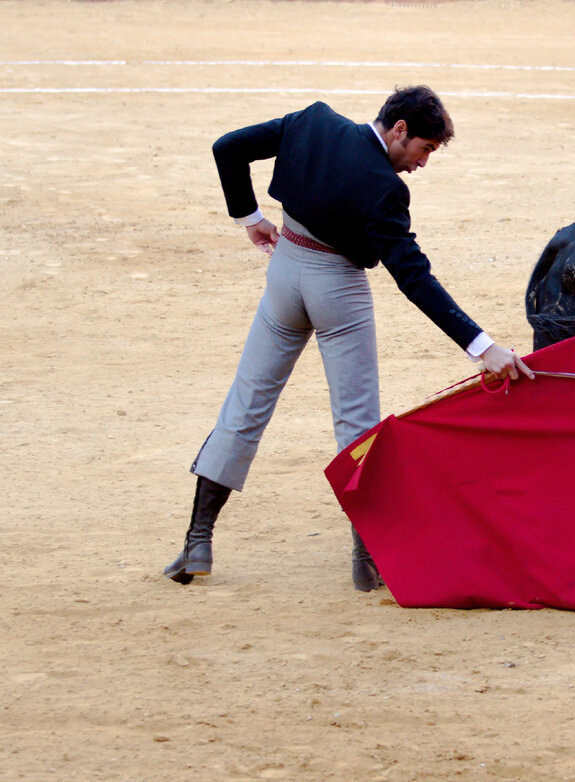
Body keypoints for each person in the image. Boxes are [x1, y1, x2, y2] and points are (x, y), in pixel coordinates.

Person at [164, 86, 533, 591]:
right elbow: (413, 277)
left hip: (284, 272)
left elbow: (227, 147)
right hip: (338, 289)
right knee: (357, 423)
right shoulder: (385, 188)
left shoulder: (312, 122)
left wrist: (249, 218)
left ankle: (198, 541)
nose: (422, 164)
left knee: (246, 405)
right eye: (423, 149)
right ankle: (367, 559)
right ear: (399, 129)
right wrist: (481, 345)